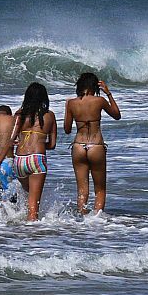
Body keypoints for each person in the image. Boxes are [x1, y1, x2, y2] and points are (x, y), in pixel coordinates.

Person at [0, 83, 57, 222]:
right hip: (36, 159)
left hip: (20, 161)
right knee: (34, 207)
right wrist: (39, 143)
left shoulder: (19, 114)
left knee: (29, 196)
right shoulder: (50, 116)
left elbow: (10, 141)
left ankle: (19, 226)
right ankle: (32, 238)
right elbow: (52, 145)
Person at [63, 72, 120, 215]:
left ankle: (82, 220)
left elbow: (67, 129)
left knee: (82, 190)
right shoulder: (99, 101)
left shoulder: (71, 103)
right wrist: (108, 94)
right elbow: (117, 115)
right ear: (94, 86)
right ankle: (96, 222)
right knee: (100, 189)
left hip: (78, 146)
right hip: (96, 145)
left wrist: (68, 109)